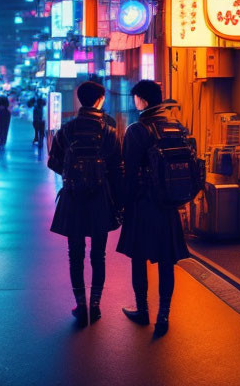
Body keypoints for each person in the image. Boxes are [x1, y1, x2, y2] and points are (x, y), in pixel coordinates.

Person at [116, 79, 190, 338]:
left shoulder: (138, 130)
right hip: (169, 206)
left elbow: (129, 172)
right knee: (166, 262)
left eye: (136, 98)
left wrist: (122, 204)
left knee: (139, 259)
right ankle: (164, 315)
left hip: (143, 204)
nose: (134, 102)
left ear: (143, 100)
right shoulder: (175, 126)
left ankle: (143, 310)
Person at [48, 81, 124, 327]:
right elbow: (117, 170)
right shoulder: (109, 132)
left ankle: (80, 304)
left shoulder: (67, 130)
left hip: (73, 200)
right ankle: (96, 305)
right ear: (100, 99)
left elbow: (53, 162)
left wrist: (72, 177)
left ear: (80, 100)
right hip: (101, 199)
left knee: (75, 254)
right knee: (98, 255)